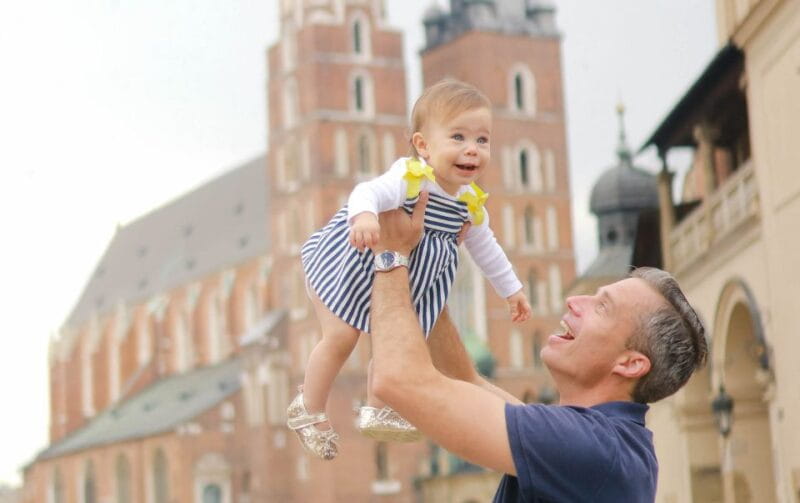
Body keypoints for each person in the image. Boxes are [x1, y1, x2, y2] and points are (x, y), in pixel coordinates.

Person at [368, 194, 708, 502]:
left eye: (602, 307)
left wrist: (390, 253)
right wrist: (428, 265)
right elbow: (464, 378)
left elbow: (397, 381)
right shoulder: (601, 441)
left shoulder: (592, 448)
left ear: (630, 363)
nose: (575, 301)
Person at [287, 79, 532, 460]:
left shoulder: (469, 201)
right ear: (423, 146)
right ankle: (309, 408)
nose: (472, 149)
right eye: (458, 137)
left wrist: (511, 289)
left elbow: (486, 247)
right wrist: (365, 218)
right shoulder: (411, 178)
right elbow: (366, 192)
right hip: (347, 267)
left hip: (399, 286)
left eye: (482, 141)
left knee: (399, 340)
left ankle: (377, 406)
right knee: (341, 338)